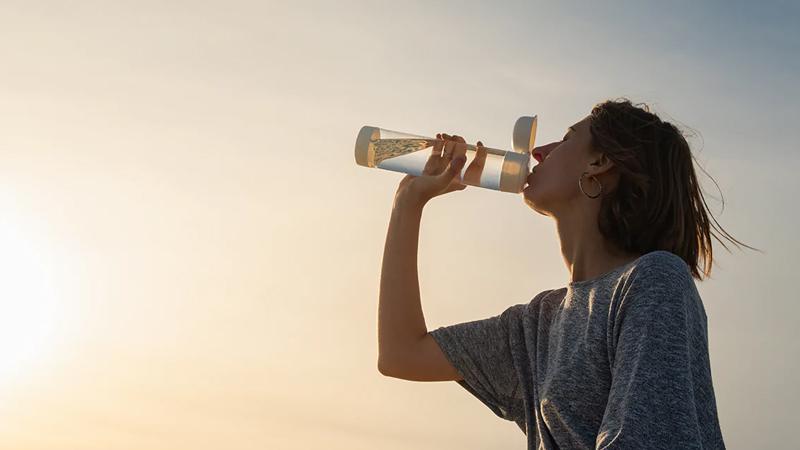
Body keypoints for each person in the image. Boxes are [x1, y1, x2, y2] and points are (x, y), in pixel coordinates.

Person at [376, 98, 758, 449]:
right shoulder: (539, 322)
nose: (539, 152)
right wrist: (408, 203)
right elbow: (402, 354)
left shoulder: (654, 280)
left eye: (567, 138)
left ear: (599, 163)